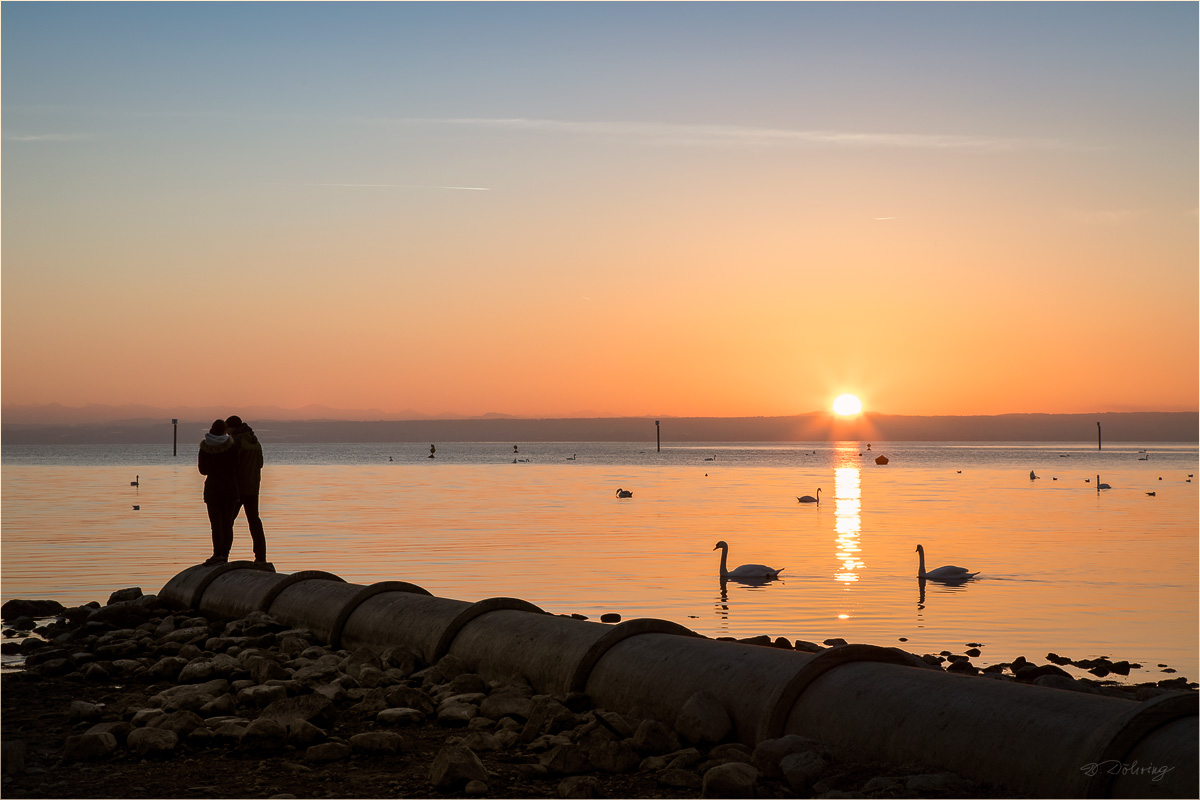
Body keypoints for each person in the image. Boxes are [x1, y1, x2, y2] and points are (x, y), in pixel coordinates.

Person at [226, 415, 268, 564]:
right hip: (253, 487)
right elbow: (260, 464)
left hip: (238, 488)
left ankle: (223, 555)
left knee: (227, 522)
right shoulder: (255, 442)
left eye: (228, 429)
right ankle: (261, 557)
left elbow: (231, 465)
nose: (227, 433)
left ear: (232, 428)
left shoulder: (236, 442)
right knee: (254, 522)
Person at [197, 419, 240, 565]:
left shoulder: (204, 447)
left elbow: (203, 470)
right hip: (230, 489)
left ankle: (216, 555)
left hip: (213, 489)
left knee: (215, 525)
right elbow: (237, 466)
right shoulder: (232, 447)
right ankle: (225, 556)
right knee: (227, 524)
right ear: (224, 430)